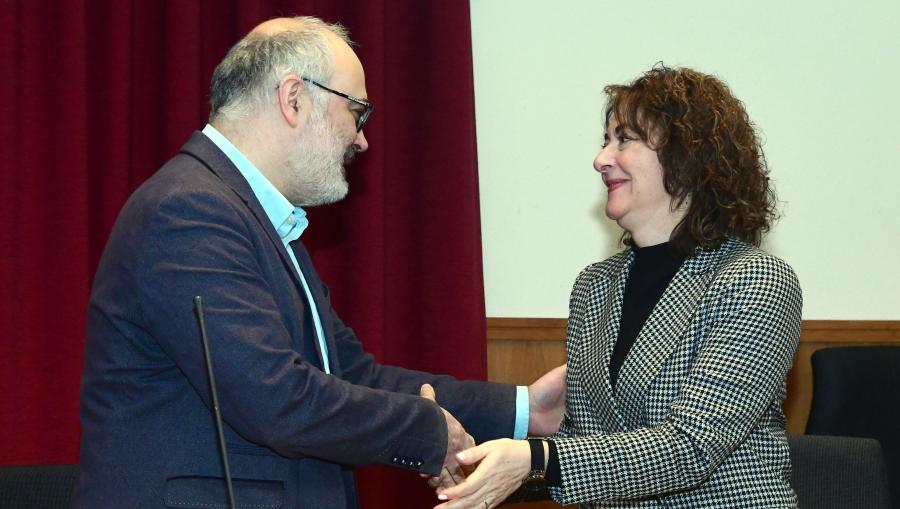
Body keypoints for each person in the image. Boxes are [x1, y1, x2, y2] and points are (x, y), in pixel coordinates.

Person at [74, 16, 565, 509]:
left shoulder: (254, 219)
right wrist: (429, 430)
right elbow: (277, 400)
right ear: (294, 99)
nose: (361, 140)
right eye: (357, 113)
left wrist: (525, 409)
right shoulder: (190, 211)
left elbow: (352, 377)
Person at [433, 65, 803, 509]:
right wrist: (479, 469)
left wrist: (533, 457)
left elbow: (691, 446)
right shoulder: (594, 286)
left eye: (623, 139)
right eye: (605, 141)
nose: (601, 159)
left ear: (688, 156)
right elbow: (584, 446)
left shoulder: (754, 279)